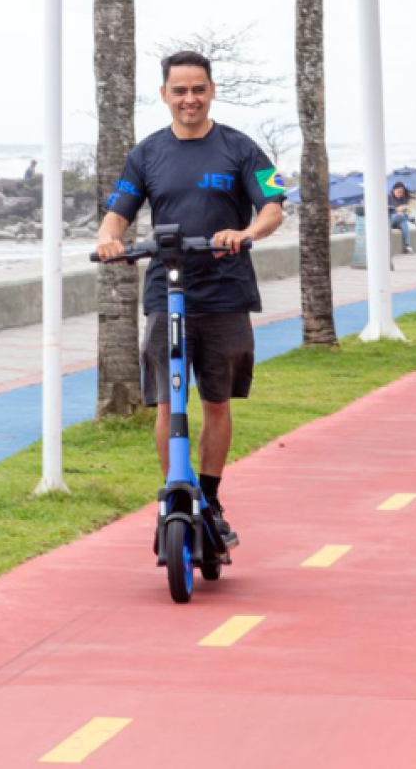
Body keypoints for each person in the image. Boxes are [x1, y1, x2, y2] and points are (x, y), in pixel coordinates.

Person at [96, 50, 285, 537]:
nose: (189, 99)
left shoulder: (242, 148)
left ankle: (212, 498)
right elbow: (119, 210)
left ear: (211, 91)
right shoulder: (147, 153)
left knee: (216, 402)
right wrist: (108, 237)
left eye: (198, 89)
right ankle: (175, 494)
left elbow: (274, 206)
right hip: (168, 292)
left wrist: (246, 232)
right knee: (168, 403)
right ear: (164, 95)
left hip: (226, 294)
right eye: (179, 90)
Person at [388, 180, 416, 253]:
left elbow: (405, 211)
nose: (400, 193)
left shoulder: (402, 199)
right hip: (390, 219)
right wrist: (396, 209)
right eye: (399, 191)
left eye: (401, 192)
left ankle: (407, 246)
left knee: (404, 223)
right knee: (399, 216)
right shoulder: (389, 197)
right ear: (394, 190)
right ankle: (413, 220)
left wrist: (405, 209)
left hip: (400, 219)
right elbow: (387, 209)